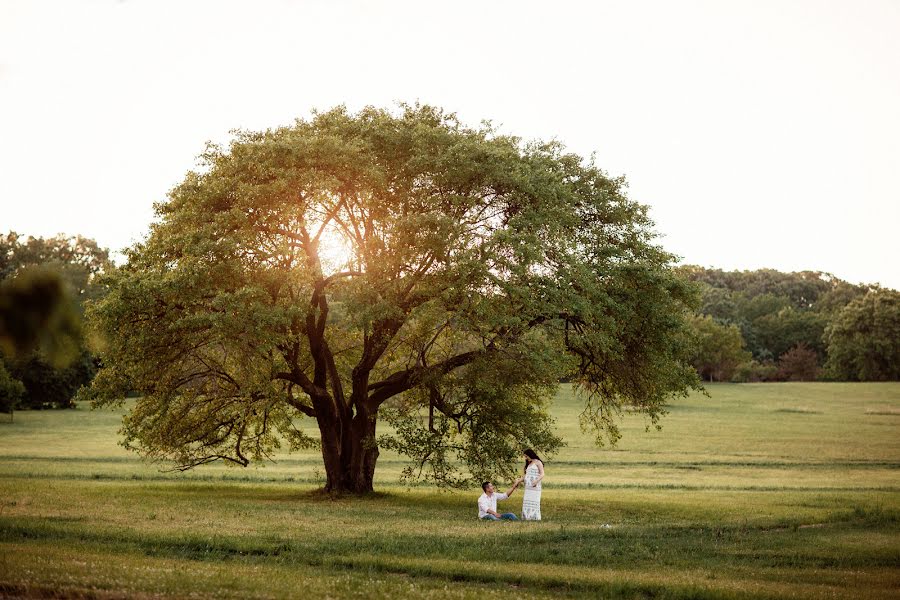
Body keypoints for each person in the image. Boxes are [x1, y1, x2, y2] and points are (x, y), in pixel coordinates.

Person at [522, 448, 544, 520]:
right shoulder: (528, 463)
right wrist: (519, 481)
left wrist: (536, 481)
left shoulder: (538, 462)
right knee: (527, 501)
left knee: (534, 501)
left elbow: (542, 474)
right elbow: (526, 475)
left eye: (526, 456)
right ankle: (527, 517)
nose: (526, 458)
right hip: (528, 487)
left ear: (530, 455)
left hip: (535, 486)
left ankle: (534, 517)